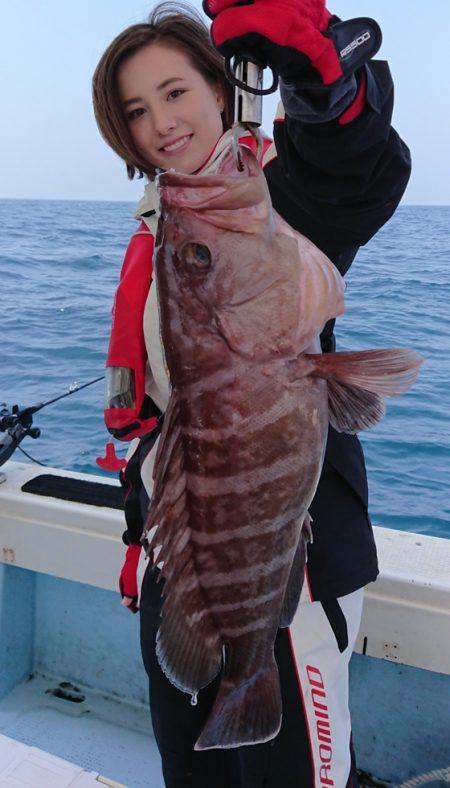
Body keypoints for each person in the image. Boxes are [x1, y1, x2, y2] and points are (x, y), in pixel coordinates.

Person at [92, 2, 411, 786]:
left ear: (220, 86)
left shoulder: (267, 205)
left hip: (288, 566)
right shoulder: (170, 222)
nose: (161, 123)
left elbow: (352, 170)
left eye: (175, 92)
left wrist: (321, 94)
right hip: (181, 553)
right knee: (191, 771)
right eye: (137, 109)